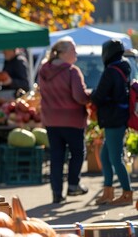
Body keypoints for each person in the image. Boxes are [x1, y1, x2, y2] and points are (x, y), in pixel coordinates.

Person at [38, 37, 90, 204]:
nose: (76, 53)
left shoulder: (44, 70)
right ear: (64, 53)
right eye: (73, 50)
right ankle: (73, 184)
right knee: (77, 153)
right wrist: (92, 96)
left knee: (56, 156)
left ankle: (56, 193)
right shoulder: (72, 72)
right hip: (72, 119)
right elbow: (80, 97)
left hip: (51, 119)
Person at [91, 39, 133, 206]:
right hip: (119, 117)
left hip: (113, 119)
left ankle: (127, 193)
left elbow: (99, 95)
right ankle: (108, 192)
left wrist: (91, 95)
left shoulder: (111, 71)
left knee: (116, 158)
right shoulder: (124, 66)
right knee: (105, 156)